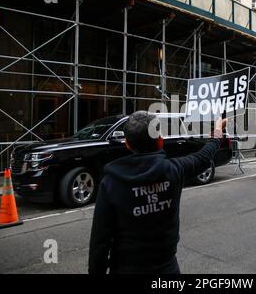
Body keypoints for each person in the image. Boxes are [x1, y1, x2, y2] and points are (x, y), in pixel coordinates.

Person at [88, 111, 226, 274]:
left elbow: (100, 241)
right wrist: (217, 132)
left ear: (127, 144)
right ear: (160, 141)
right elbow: (203, 157)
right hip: (167, 268)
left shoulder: (111, 183)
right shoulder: (174, 170)